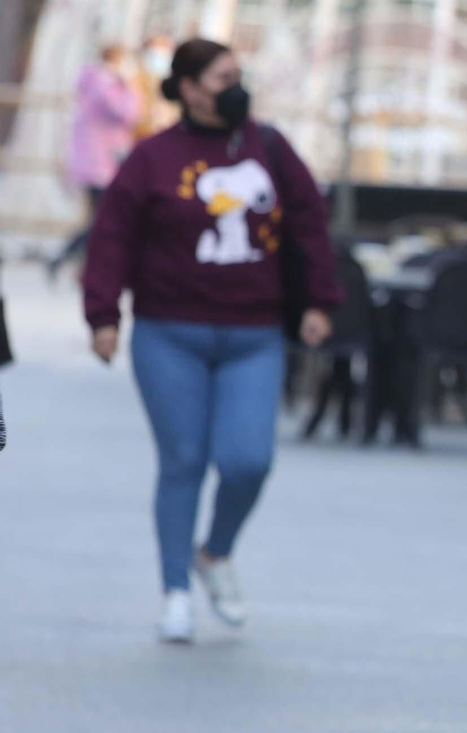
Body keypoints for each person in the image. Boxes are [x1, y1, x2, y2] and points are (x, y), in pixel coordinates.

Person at [83, 38, 341, 644]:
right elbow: (113, 237)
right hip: (169, 331)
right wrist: (103, 315)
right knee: (183, 462)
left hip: (253, 333)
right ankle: (175, 592)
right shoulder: (152, 158)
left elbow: (309, 223)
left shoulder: (269, 148)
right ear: (191, 88)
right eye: (223, 76)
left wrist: (319, 302)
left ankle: (215, 552)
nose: (236, 85)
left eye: (238, 75)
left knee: (249, 461)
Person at [49, 44, 140, 280]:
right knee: (103, 220)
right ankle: (67, 260)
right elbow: (129, 113)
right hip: (101, 164)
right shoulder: (106, 85)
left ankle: (75, 264)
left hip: (95, 162)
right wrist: (129, 86)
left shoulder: (94, 82)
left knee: (98, 219)